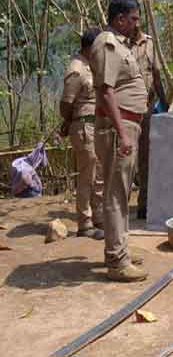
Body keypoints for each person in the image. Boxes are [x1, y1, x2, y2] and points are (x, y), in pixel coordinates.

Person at [90, 0, 149, 282]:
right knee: (115, 194)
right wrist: (123, 132)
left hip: (126, 126)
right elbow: (105, 90)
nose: (137, 23)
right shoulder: (107, 43)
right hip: (118, 128)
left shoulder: (120, 44)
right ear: (120, 18)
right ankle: (117, 261)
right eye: (134, 18)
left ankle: (119, 250)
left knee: (122, 193)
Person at [60, 27, 104, 239]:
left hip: (95, 126)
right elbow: (66, 103)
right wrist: (68, 121)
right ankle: (84, 224)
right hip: (83, 127)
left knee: (98, 175)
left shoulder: (91, 65)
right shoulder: (77, 69)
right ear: (90, 47)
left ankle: (99, 218)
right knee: (87, 176)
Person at [130, 25, 168, 220]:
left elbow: (157, 76)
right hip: (126, 111)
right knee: (126, 159)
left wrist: (166, 106)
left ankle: (143, 204)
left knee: (146, 157)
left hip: (146, 110)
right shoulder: (118, 44)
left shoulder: (150, 43)